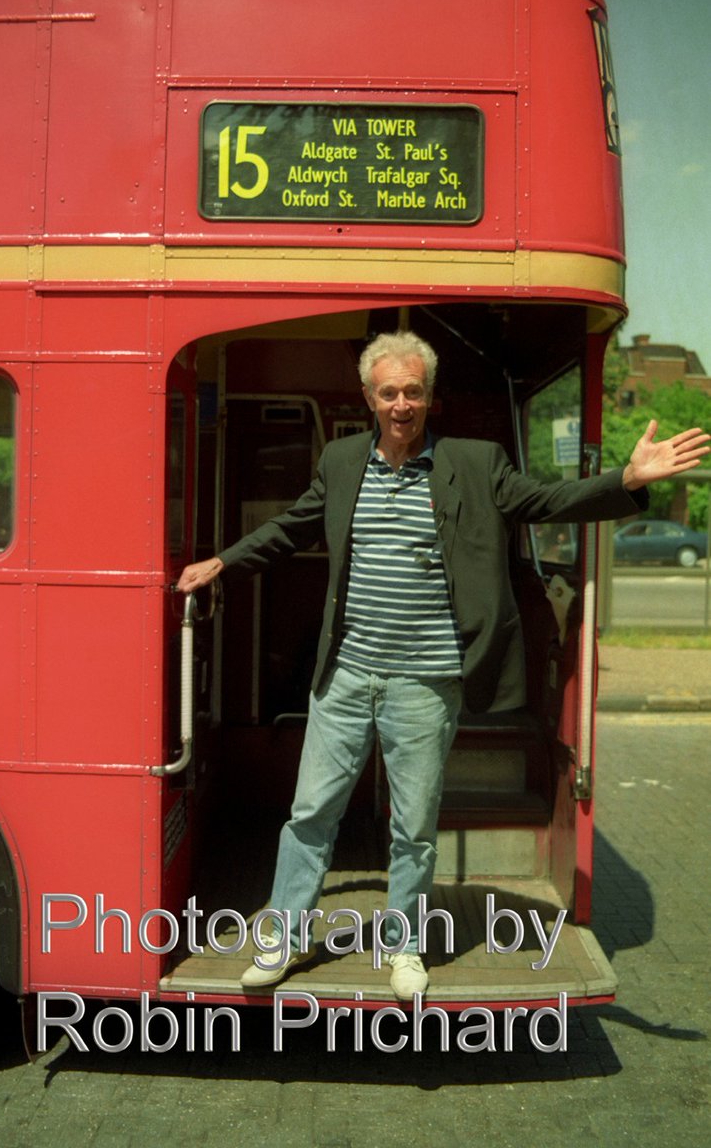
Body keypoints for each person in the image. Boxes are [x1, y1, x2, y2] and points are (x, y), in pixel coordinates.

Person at [177, 330, 709, 1000]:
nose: (401, 404)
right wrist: (223, 560)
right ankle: (282, 937)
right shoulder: (342, 461)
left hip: (426, 683)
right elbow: (293, 526)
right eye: (389, 392)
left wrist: (626, 480)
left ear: (429, 398)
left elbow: (545, 502)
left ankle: (403, 949)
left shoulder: (474, 463)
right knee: (311, 812)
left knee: (412, 826)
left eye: (413, 392)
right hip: (343, 676)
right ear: (368, 397)